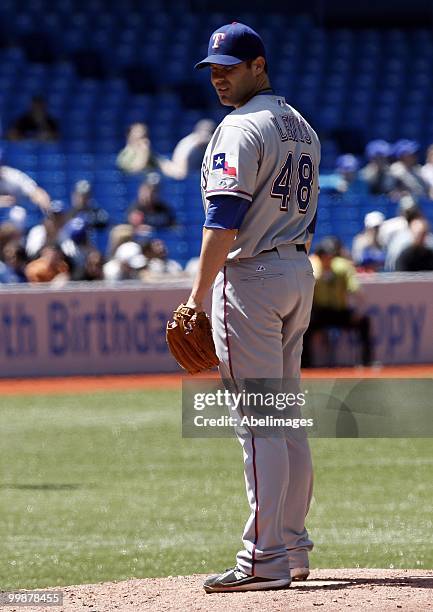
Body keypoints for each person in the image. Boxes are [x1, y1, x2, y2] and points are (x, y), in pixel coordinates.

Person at [185, 22, 320, 592]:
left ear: (258, 66)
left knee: (259, 421)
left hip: (253, 276)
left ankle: (263, 558)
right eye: (213, 67)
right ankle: (290, 546)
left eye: (230, 67)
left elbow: (224, 217)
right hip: (295, 268)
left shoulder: (241, 127)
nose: (219, 76)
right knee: (284, 416)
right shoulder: (302, 126)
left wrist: (196, 297)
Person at [302, 238, 372, 367]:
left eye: (330, 256)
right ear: (319, 257)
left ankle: (366, 362)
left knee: (364, 322)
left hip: (339, 311)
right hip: (319, 312)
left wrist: (359, 311)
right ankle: (306, 365)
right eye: (323, 256)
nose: (327, 260)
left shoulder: (343, 267)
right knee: (302, 326)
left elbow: (356, 290)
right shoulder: (311, 266)